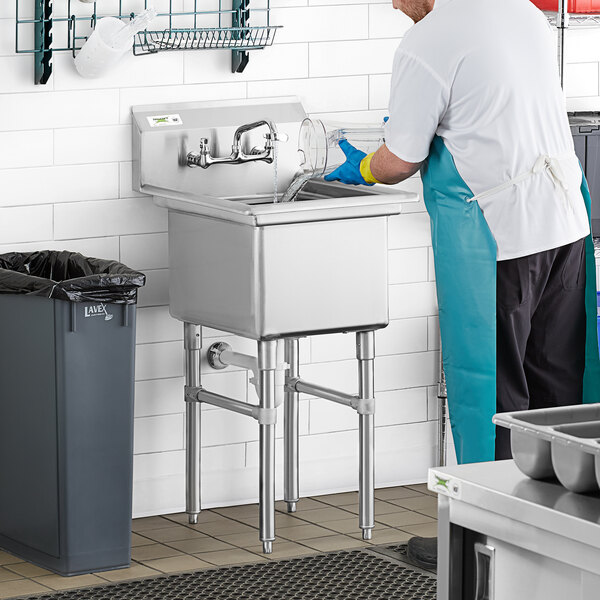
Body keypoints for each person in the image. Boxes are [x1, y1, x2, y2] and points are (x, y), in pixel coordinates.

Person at [325, 0, 600, 568]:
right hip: (566, 224)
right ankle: (561, 552)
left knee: (493, 397)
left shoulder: (428, 43)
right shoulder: (522, 11)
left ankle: (488, 546)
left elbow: (401, 158)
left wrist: (360, 167)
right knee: (557, 395)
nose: (395, 5)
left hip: (498, 237)